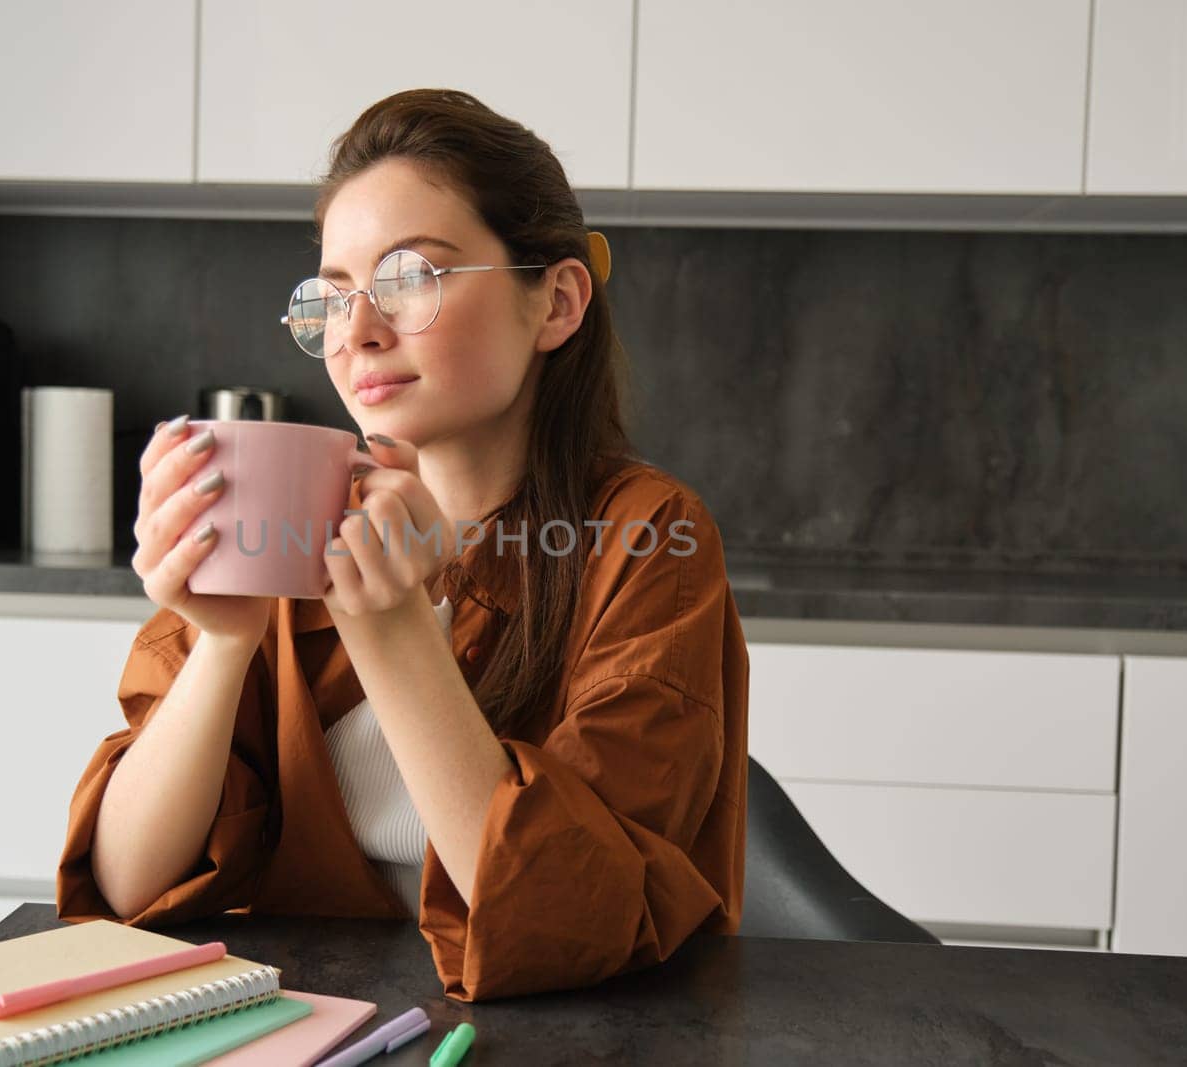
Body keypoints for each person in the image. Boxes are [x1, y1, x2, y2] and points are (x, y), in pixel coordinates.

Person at [57, 88, 750, 1002]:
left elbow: (574, 919)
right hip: (306, 1027)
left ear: (556, 302)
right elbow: (127, 881)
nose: (358, 332)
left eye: (411, 278)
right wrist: (221, 642)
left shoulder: (649, 540)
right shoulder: (296, 511)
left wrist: (394, 630)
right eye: (334, 295)